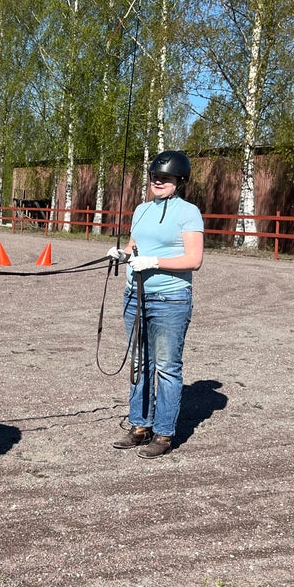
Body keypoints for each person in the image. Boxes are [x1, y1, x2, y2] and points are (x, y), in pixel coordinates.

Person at [107, 151, 204, 458]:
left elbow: (194, 259)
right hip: (134, 297)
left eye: (165, 178)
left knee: (166, 368)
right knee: (139, 363)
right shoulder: (141, 210)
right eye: (154, 177)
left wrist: (156, 262)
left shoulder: (189, 213)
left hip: (170, 299)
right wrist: (123, 254)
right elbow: (135, 246)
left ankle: (163, 433)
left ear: (179, 181)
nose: (158, 181)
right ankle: (139, 425)